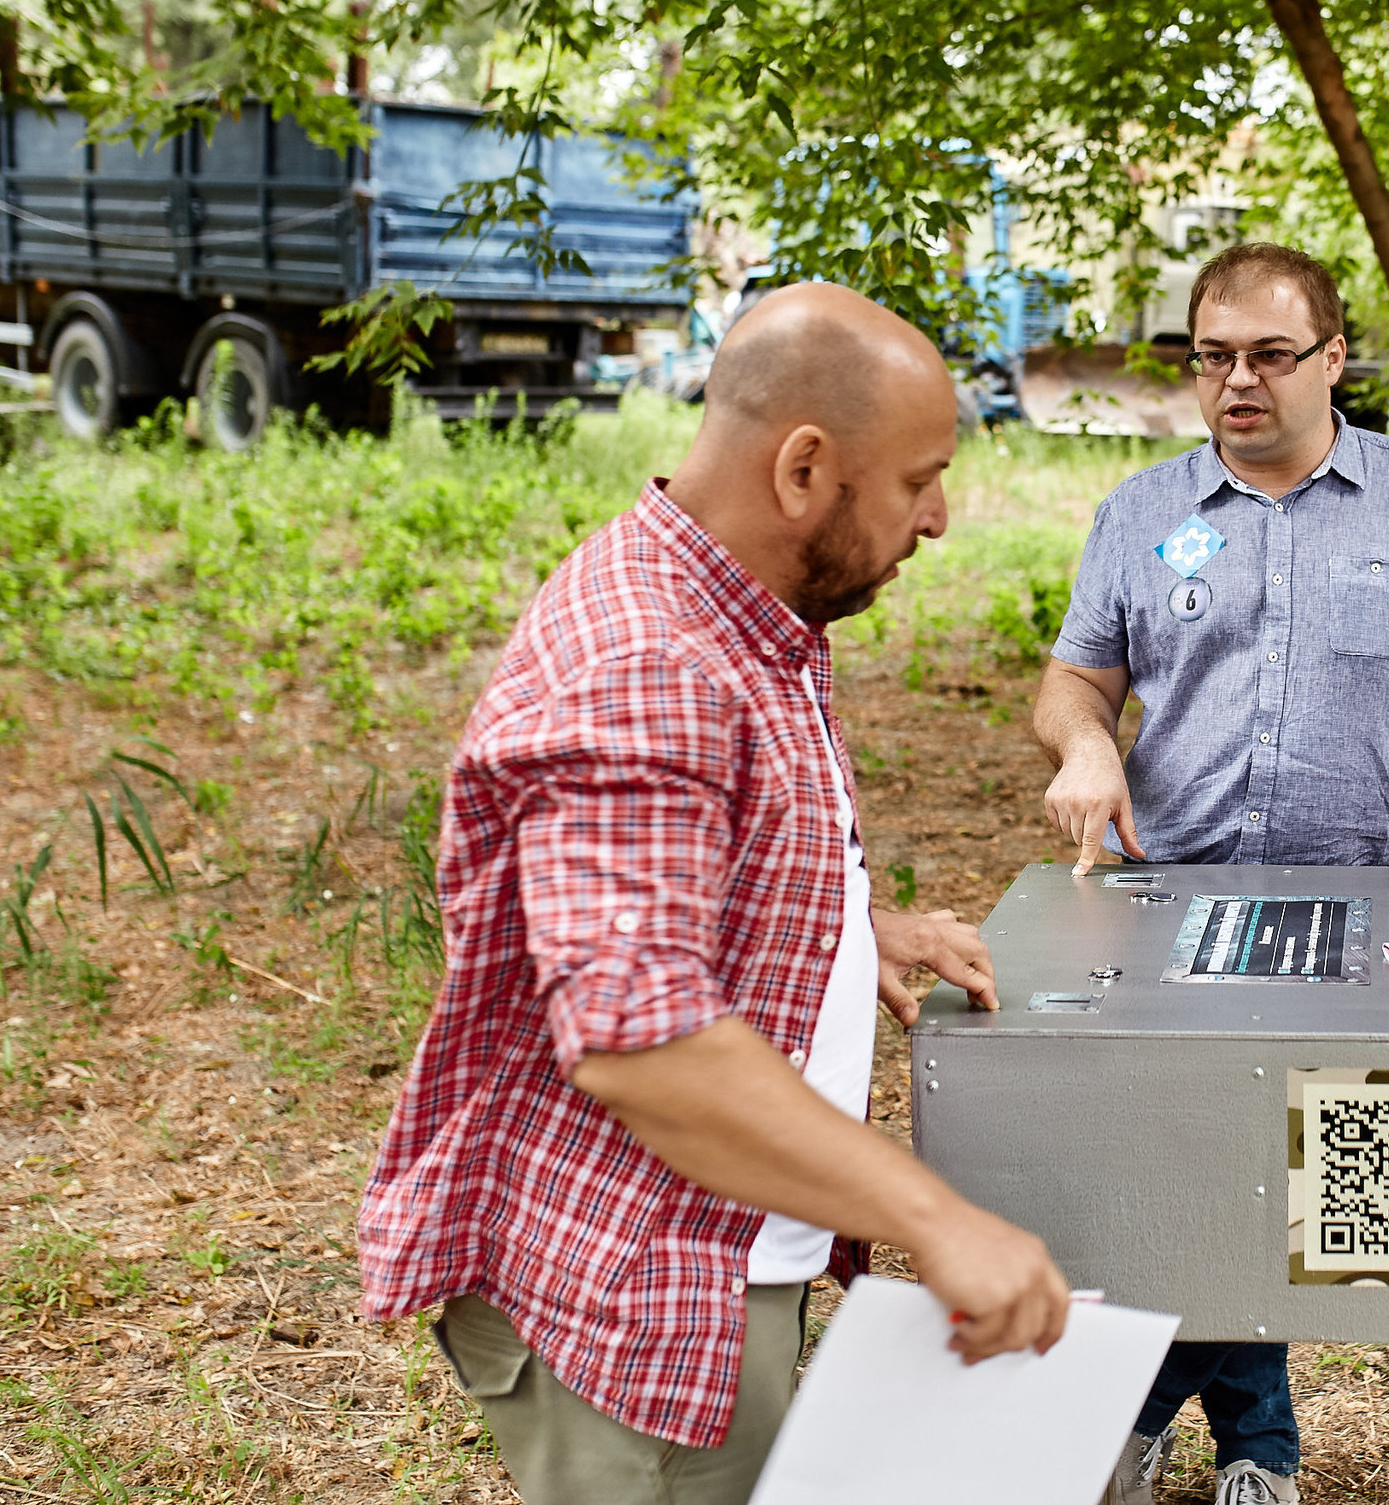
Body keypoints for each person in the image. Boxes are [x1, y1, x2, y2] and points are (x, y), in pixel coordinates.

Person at [357, 284, 1073, 1505]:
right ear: (804, 467)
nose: (940, 518)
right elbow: (645, 1047)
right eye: (917, 480)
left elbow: (678, 869)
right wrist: (940, 1221)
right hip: (645, 1276)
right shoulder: (652, 662)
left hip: (729, 1240)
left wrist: (851, 934)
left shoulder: (744, 610)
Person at [1036, 241, 1389, 1505]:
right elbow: (1077, 679)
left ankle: (1158, 1413)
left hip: (1358, 908)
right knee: (1186, 1163)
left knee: (1298, 1174)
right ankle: (1260, 1450)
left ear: (1333, 357)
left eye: (1270, 355)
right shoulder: (1140, 514)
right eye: (1213, 355)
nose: (1237, 382)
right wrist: (1084, 748)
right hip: (1166, 902)